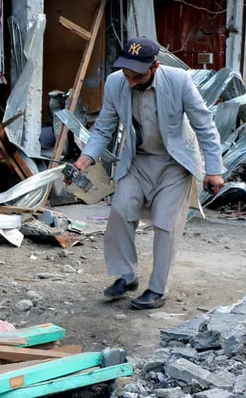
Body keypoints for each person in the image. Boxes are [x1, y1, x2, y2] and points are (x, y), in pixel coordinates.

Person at [73, 37, 224, 310]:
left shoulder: (179, 81)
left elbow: (204, 124)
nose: (131, 82)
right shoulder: (116, 83)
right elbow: (104, 128)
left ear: (155, 67)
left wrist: (213, 170)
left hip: (174, 163)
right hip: (138, 160)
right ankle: (127, 276)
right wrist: (86, 158)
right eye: (127, 75)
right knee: (120, 211)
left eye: (138, 76)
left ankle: (157, 289)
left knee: (166, 223)